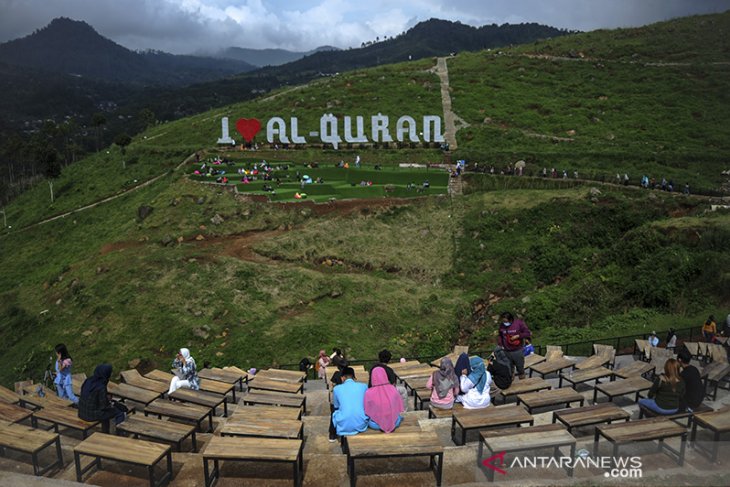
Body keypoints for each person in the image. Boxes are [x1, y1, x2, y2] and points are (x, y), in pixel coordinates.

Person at [78, 364, 126, 433]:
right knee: (119, 412)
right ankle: (119, 432)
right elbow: (104, 406)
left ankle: (106, 431)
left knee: (107, 412)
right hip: (91, 416)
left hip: (81, 412)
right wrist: (111, 404)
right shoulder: (101, 386)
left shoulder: (88, 381)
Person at [329, 367, 369, 441]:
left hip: (343, 424)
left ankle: (332, 435)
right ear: (353, 377)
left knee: (334, 410)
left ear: (343, 378)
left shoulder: (337, 388)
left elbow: (336, 406)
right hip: (361, 423)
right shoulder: (364, 386)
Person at [364, 367, 404, 432]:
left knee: (369, 421)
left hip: (376, 425)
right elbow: (398, 406)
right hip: (394, 423)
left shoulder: (368, 392)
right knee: (399, 418)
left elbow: (367, 410)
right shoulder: (393, 388)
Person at [496, 312, 532, 379]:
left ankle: (523, 383)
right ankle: (511, 383)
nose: (504, 323)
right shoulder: (502, 325)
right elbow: (500, 336)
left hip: (517, 350)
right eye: (503, 321)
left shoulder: (519, 323)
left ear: (511, 320)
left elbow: (528, 333)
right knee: (509, 370)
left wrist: (518, 336)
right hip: (506, 351)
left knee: (520, 369)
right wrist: (500, 344)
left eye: (506, 321)